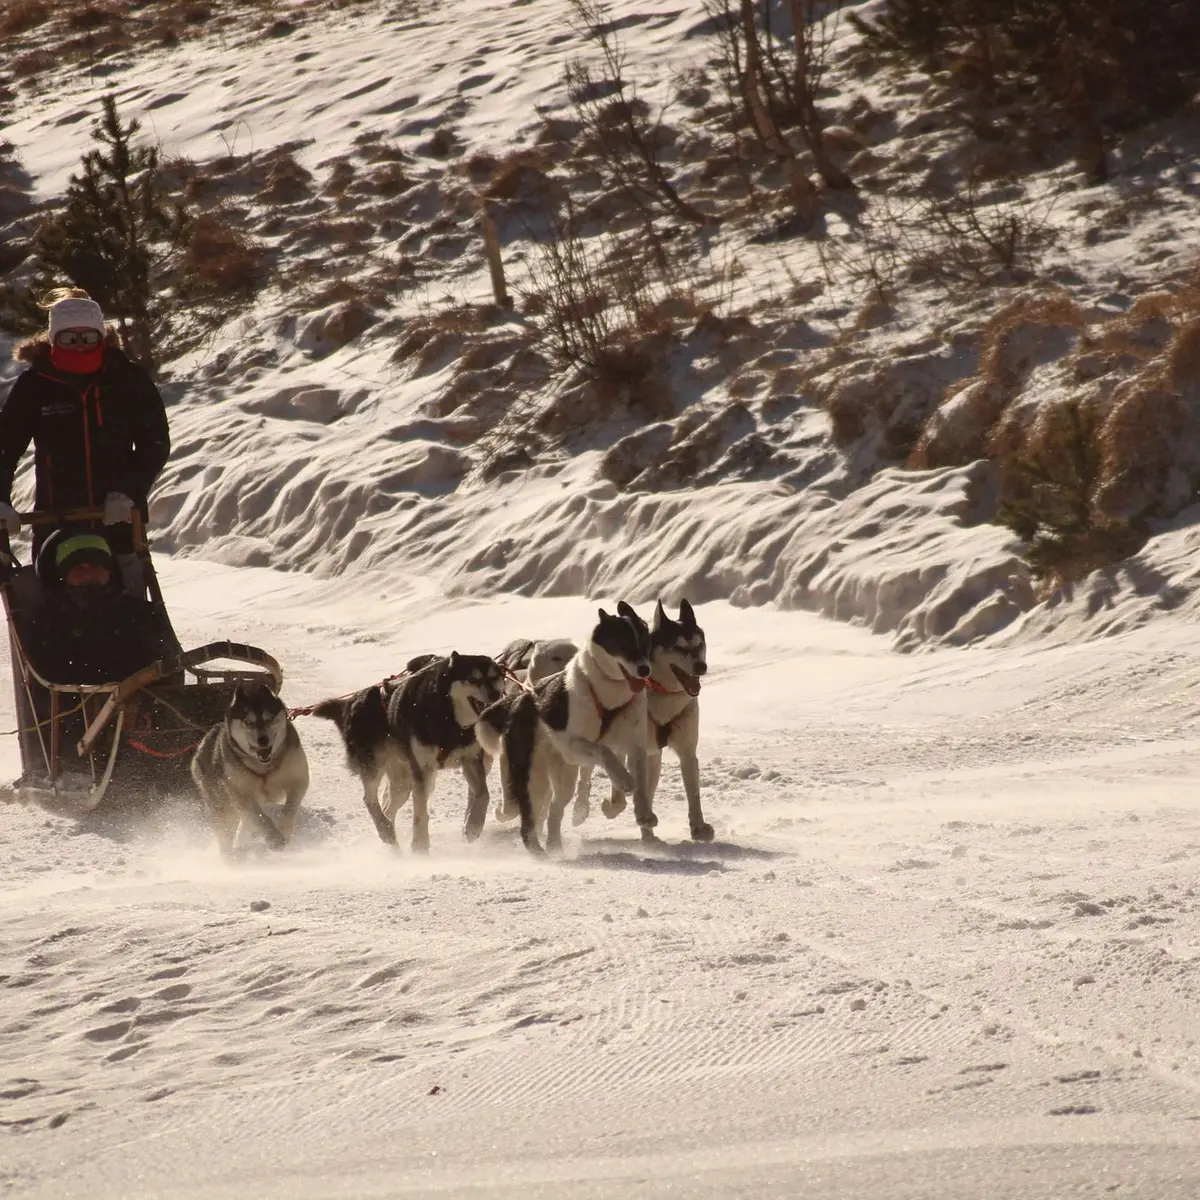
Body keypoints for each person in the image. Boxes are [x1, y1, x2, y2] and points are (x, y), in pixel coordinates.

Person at [0, 290, 170, 596]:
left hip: (117, 514)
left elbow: (154, 442)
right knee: (53, 603)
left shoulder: (127, 379)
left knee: (126, 600)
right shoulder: (36, 385)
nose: (79, 346)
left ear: (101, 337)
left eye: (88, 337)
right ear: (54, 340)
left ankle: (141, 641)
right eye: (69, 339)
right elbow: (5, 445)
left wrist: (128, 491)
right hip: (55, 515)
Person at [27, 528, 171, 685]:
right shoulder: (52, 624)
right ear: (62, 575)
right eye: (79, 568)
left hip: (148, 699)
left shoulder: (140, 613)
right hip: (82, 703)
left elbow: (166, 662)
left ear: (110, 571)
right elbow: (53, 675)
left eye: (97, 566)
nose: (89, 575)